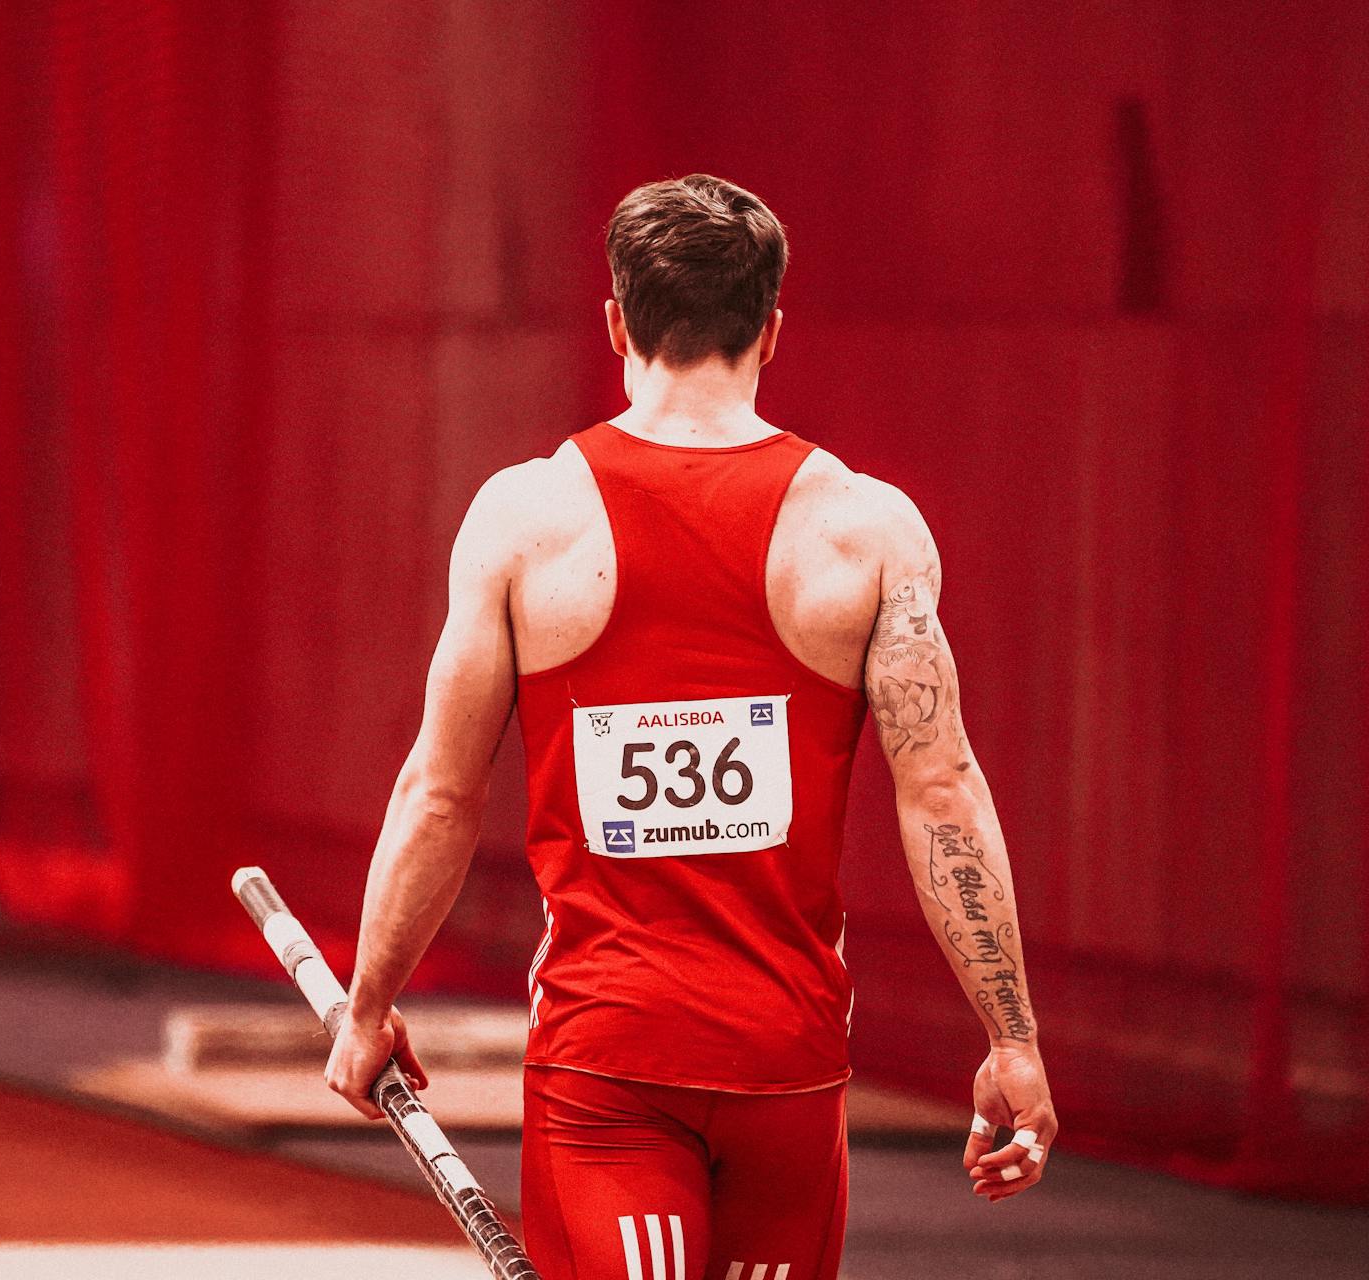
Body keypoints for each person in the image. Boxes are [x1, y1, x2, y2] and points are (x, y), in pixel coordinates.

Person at [325, 174, 1057, 1280]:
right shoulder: (866, 532)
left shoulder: (526, 521)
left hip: (608, 1065)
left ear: (617, 320)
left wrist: (371, 1003)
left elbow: (442, 789)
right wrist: (1013, 1037)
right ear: (771, 328)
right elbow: (942, 789)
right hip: (789, 1072)